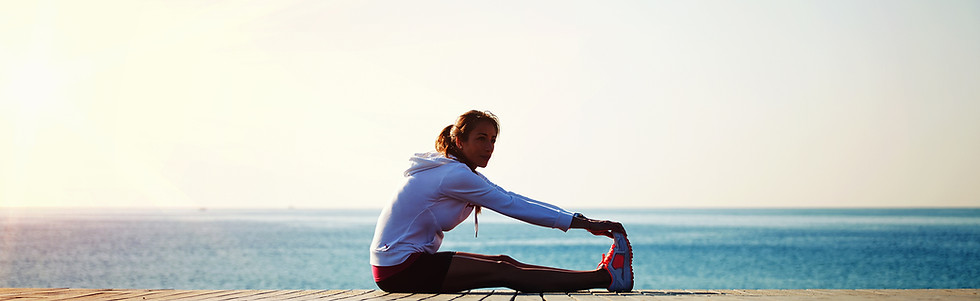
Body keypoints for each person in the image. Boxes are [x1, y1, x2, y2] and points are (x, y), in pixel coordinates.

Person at [370, 110, 633, 293]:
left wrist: (579, 220)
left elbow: (512, 198)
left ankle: (606, 276)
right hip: (400, 268)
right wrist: (580, 223)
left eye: (493, 140)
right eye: (481, 139)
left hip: (400, 265)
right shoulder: (452, 174)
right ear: (459, 141)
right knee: (504, 271)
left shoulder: (451, 170)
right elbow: (511, 204)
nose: (489, 147)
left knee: (504, 261)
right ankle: (606, 277)